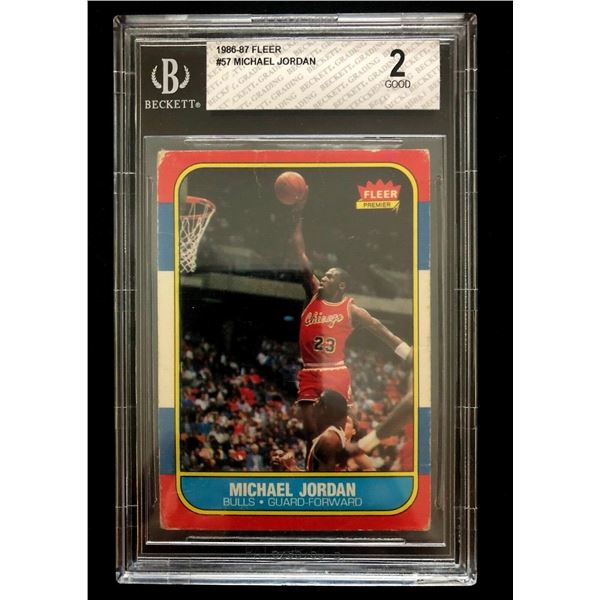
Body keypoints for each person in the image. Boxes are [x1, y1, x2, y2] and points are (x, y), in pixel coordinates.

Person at [291, 202, 414, 442]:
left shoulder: (351, 309)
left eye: (330, 276)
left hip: (335, 371)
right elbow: (300, 256)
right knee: (309, 432)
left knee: (338, 432)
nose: (323, 277)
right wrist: (297, 219)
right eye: (324, 275)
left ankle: (345, 459)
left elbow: (381, 330)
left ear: (341, 285)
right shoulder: (313, 295)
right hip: (309, 370)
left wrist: (408, 354)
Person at [273, 389, 412, 472]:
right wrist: (292, 468)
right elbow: (316, 483)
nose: (314, 405)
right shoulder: (329, 438)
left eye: (318, 402)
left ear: (325, 409)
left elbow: (321, 489)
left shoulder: (330, 439)